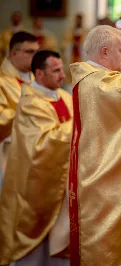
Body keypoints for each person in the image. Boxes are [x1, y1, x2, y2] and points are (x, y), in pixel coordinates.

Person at [68, 25, 121, 266]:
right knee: (103, 245)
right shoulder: (98, 83)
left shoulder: (98, 77)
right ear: (104, 52)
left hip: (100, 169)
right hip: (101, 177)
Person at [0, 50, 71, 266]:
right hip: (36, 189)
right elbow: (45, 142)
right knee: (35, 254)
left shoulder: (66, 97)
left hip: (63, 185)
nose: (62, 75)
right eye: (56, 71)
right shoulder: (30, 103)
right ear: (39, 75)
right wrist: (80, 123)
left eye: (62, 69)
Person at [0, 32, 38, 182]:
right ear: (13, 53)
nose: (35, 56)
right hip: (12, 152)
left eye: (37, 52)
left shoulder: (38, 79)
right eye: (30, 52)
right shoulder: (2, 82)